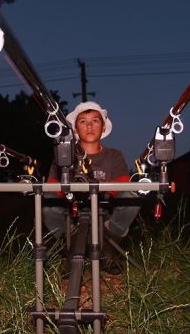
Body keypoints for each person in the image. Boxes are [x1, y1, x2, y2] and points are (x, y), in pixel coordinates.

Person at [43, 101, 140, 273]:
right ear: (75, 129)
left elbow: (124, 183)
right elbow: (52, 186)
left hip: (106, 215)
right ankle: (71, 246)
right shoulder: (63, 155)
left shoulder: (114, 155)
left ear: (103, 127)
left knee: (132, 196)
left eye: (95, 121)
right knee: (47, 202)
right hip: (71, 215)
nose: (89, 126)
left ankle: (108, 248)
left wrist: (92, 185)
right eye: (83, 121)